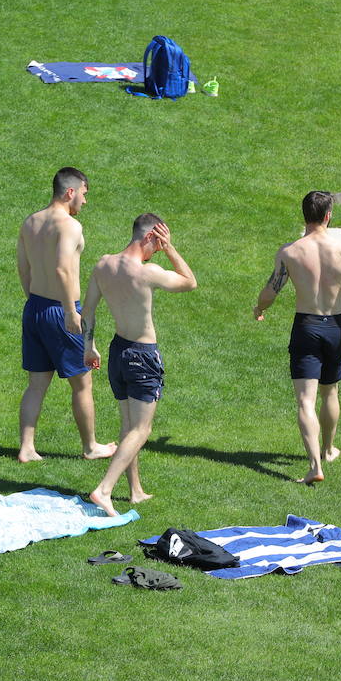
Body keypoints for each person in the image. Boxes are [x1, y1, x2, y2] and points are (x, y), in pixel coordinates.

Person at [253, 191, 341, 485]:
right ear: (328, 215)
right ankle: (328, 449)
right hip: (335, 326)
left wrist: (259, 307)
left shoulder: (290, 252)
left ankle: (313, 466)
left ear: (304, 215)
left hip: (306, 326)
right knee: (330, 392)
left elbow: (272, 290)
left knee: (305, 401)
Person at [82, 215, 197, 516]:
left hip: (117, 352)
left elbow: (88, 310)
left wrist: (88, 346)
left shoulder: (103, 264)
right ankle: (104, 490)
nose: (158, 251)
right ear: (149, 237)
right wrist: (172, 250)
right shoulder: (147, 272)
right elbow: (190, 282)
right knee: (142, 429)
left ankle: (135, 490)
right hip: (142, 356)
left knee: (128, 427)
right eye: (158, 244)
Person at [16, 167, 116, 463]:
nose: (85, 201)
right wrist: (71, 312)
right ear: (70, 192)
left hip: (34, 307)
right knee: (82, 382)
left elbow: (24, 268)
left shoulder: (30, 222)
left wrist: (33, 301)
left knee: (36, 383)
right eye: (84, 194)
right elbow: (62, 268)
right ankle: (90, 447)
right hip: (63, 309)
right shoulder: (70, 226)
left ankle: (26, 448)